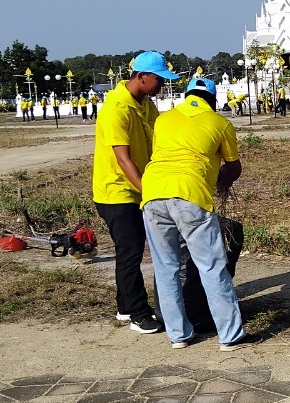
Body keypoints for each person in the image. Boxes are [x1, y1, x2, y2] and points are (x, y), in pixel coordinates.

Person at [141, 78, 250, 350]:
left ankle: (178, 335)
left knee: (166, 268)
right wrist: (220, 179)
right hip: (190, 196)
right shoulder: (219, 123)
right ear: (212, 101)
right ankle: (231, 336)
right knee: (212, 267)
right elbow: (234, 168)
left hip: (152, 193)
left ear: (187, 95)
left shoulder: (164, 119)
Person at [92, 51, 179, 335]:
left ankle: (124, 306)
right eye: (159, 80)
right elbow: (123, 158)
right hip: (117, 192)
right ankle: (138, 313)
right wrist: (148, 192)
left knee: (131, 250)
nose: (162, 86)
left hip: (138, 188)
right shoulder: (116, 108)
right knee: (130, 252)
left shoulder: (144, 104)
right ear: (141, 77)